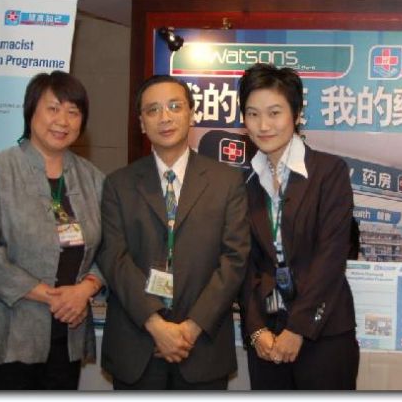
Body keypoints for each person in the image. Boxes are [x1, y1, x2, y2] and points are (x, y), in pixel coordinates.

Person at [97, 74, 250, 390]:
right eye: (152, 110)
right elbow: (114, 258)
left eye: (175, 107)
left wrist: (190, 328)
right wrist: (156, 325)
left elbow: (235, 259)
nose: (164, 117)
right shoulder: (118, 184)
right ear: (142, 123)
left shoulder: (226, 182)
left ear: (192, 114)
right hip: (137, 344)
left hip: (202, 347)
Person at [0, 71, 105, 390]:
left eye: (73, 112)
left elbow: (108, 250)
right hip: (7, 335)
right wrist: (52, 297)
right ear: (31, 111)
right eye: (53, 108)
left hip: (67, 335)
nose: (62, 121)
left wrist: (84, 290)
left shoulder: (93, 179)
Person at [237, 63, 359, 390]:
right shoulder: (244, 182)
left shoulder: (329, 172)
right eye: (252, 114)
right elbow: (243, 263)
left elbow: (331, 257)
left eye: (274, 113)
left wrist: (298, 328)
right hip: (266, 336)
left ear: (297, 114)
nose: (263, 125)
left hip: (323, 332)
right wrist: (256, 329)